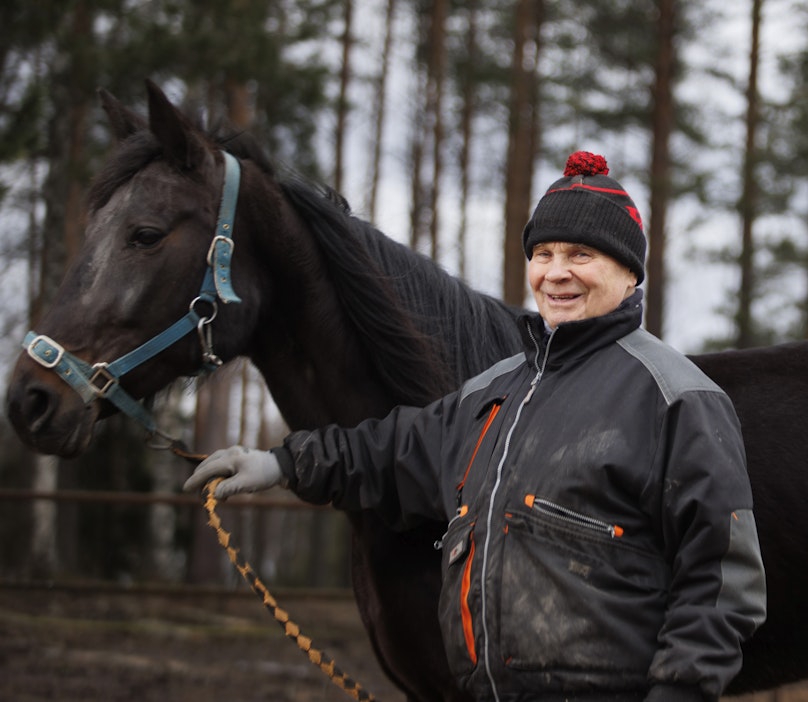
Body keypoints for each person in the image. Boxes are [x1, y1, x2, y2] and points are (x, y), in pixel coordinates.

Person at [184, 151, 767, 702]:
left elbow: (721, 582)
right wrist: (281, 463)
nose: (556, 274)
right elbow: (392, 451)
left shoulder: (676, 398)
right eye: (543, 254)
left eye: (581, 256)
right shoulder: (497, 390)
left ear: (628, 272)